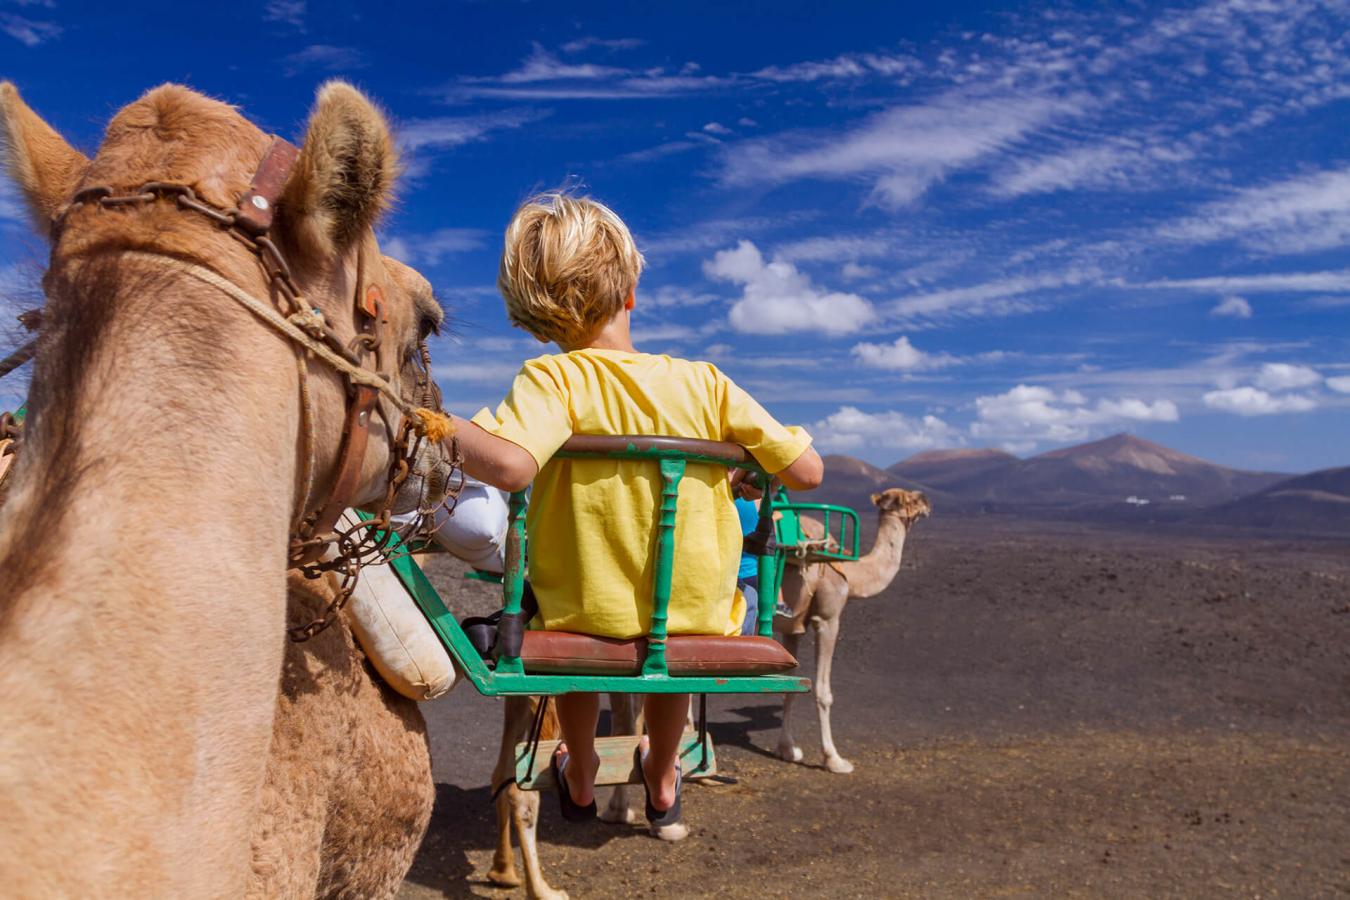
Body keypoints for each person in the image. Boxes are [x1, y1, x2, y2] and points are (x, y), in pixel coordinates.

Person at [445, 192, 823, 827]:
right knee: (670, 647)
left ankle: (584, 766)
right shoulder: (705, 382)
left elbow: (508, 465)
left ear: (535, 314)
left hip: (584, 611)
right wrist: (732, 465)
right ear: (630, 292)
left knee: (572, 623)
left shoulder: (553, 381)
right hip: (697, 613)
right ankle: (663, 769)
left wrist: (427, 420)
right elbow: (807, 472)